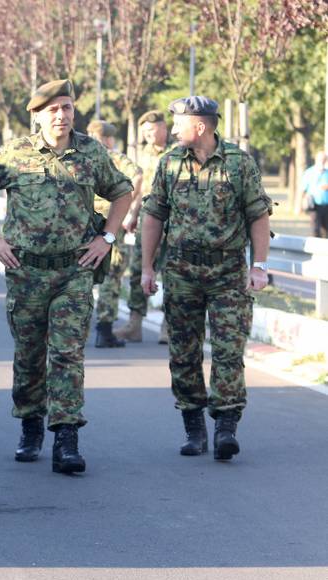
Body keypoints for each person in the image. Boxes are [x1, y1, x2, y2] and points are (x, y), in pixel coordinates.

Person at [0, 79, 133, 474]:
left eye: (68, 108)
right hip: (26, 272)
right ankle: (30, 423)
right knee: (29, 354)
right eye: (53, 110)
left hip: (74, 270)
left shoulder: (90, 152)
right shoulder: (15, 154)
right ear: (37, 116)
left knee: (68, 354)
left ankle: (66, 438)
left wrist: (106, 238)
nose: (62, 116)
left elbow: (122, 192)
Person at [140, 95, 271, 462]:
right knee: (184, 352)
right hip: (181, 271)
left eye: (178, 122)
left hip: (228, 270)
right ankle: (193, 426)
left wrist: (258, 266)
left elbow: (258, 215)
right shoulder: (168, 164)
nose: (173, 128)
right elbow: (153, 216)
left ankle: (226, 425)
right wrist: (147, 268)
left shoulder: (238, 163)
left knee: (229, 350)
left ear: (199, 127)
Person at [114, 110, 172, 344]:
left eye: (152, 130)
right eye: (144, 132)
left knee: (171, 274)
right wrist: (132, 215)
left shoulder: (178, 152)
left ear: (163, 128)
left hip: (172, 222)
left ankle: (168, 327)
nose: (148, 135)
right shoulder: (143, 155)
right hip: (148, 220)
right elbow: (139, 191)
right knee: (139, 270)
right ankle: (134, 324)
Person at [86, 120, 142, 348]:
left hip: (84, 220)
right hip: (111, 221)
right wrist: (127, 205)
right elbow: (137, 176)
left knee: (81, 271)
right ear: (109, 139)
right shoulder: (115, 157)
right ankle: (104, 329)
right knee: (110, 273)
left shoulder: (82, 154)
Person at [301, 151, 328, 237]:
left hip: (326, 206)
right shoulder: (309, 172)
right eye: (320, 159)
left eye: (324, 160)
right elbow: (302, 190)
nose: (322, 161)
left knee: (326, 229)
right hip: (314, 205)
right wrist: (300, 205)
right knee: (315, 229)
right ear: (316, 160)